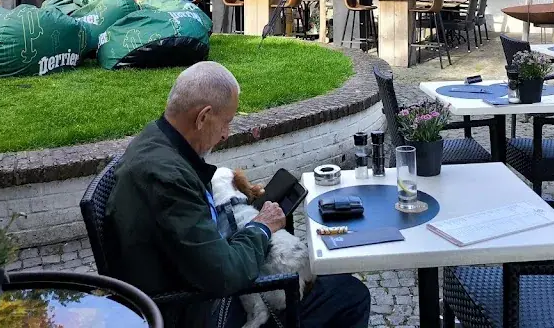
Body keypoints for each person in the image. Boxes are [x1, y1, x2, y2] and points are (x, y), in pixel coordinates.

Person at [106, 61, 371, 328]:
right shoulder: (168, 179)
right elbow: (225, 275)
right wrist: (261, 226)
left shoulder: (154, 141)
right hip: (192, 311)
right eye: (226, 123)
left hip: (178, 286)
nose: (225, 135)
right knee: (351, 295)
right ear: (203, 117)